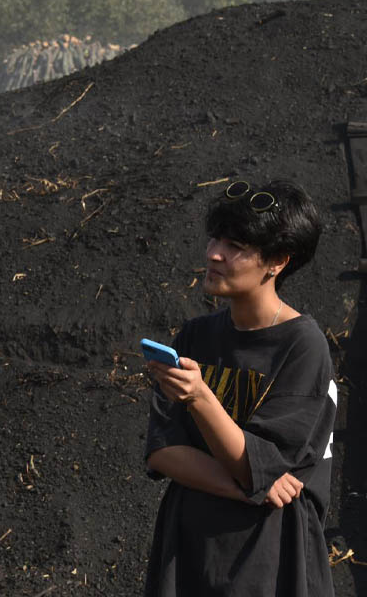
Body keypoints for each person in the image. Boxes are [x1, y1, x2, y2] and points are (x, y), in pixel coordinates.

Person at [143, 179, 336, 596]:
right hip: (190, 551)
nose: (214, 252)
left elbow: (259, 464)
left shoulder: (302, 345)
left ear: (277, 261)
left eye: (235, 245)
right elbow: (162, 451)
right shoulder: (195, 336)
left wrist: (199, 397)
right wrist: (253, 486)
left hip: (267, 556)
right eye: (215, 237)